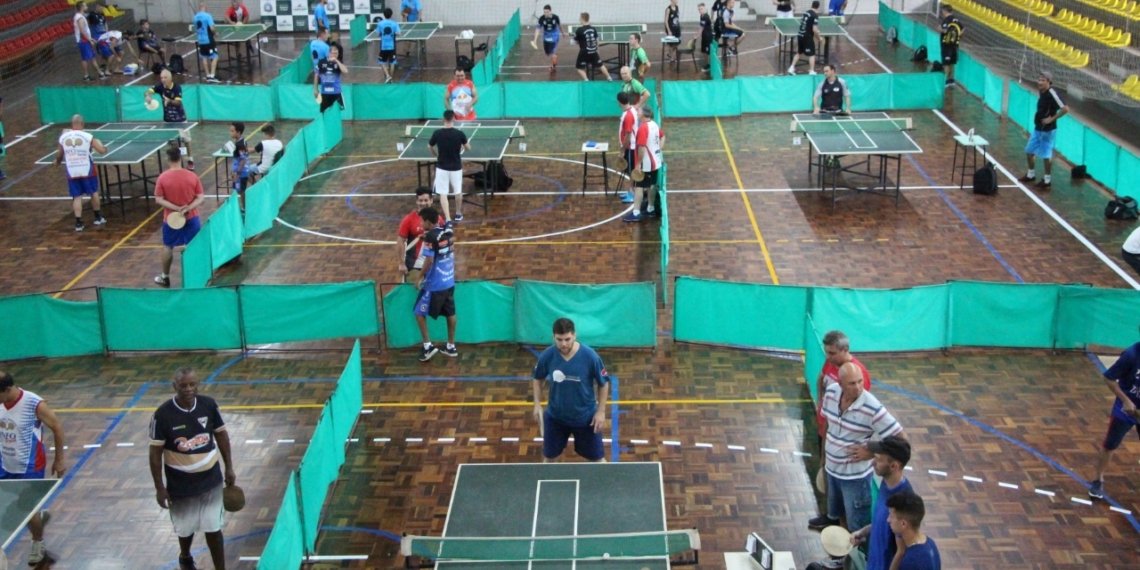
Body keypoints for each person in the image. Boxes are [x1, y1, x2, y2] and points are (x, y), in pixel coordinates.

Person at [149, 368, 236, 570]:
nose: (189, 389)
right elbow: (155, 454)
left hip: (211, 479)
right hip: (180, 484)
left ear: (198, 384)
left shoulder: (209, 405)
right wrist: (159, 487)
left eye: (192, 384)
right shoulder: (162, 415)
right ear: (175, 386)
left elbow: (222, 435)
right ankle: (186, 557)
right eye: (183, 385)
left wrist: (229, 467)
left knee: (213, 528)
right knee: (185, 529)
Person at [810, 362, 904, 533]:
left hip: (855, 479)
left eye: (860, 381)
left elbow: (900, 439)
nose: (859, 387)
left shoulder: (872, 407)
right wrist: (824, 458)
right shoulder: (831, 394)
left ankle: (856, 558)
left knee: (857, 527)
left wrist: (872, 450)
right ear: (839, 384)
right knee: (837, 516)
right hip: (832, 471)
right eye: (852, 383)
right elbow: (828, 427)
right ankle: (839, 553)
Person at [0, 371, 67, 566]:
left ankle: (38, 543)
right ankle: (38, 515)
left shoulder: (33, 403)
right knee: (11, 505)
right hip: (4, 463)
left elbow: (57, 427)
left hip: (29, 466)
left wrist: (60, 459)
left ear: (6, 390)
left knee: (26, 509)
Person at [531, 317, 611, 462]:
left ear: (574, 335)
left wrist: (601, 411)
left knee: (599, 461)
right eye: (559, 339)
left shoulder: (590, 357)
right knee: (549, 459)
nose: (564, 344)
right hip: (556, 418)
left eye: (567, 339)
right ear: (553, 337)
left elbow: (603, 383)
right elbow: (538, 378)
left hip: (586, 418)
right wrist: (537, 403)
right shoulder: (547, 356)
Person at [844, 436, 913, 570]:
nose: (872, 463)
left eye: (879, 460)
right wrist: (863, 532)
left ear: (894, 466)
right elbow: (881, 521)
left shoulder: (904, 502)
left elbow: (902, 551)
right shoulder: (885, 483)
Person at [1088, 340, 1140, 499]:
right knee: (1110, 443)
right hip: (1126, 410)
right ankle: (1098, 479)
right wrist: (1125, 400)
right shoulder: (1131, 355)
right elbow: (1109, 378)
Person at [153, 146, 205, 287]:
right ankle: (197, 276)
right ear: (180, 158)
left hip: (171, 219)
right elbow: (200, 197)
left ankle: (165, 277)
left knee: (168, 247)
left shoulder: (162, 178)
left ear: (168, 159)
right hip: (191, 217)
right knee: (194, 246)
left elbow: (159, 199)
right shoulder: (192, 176)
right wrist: (188, 207)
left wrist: (176, 209)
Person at [814, 330, 872, 451]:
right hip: (824, 425)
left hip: (841, 434)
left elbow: (861, 406)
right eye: (826, 352)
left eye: (832, 353)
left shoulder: (858, 373)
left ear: (845, 350)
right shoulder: (830, 362)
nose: (827, 356)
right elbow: (821, 378)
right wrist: (820, 402)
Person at [413, 206, 458, 361]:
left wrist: (419, 277)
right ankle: (451, 346)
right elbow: (442, 241)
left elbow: (429, 260)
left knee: (419, 312)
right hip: (449, 281)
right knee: (451, 313)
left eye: (421, 220)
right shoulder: (447, 232)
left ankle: (428, 346)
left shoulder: (431, 238)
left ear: (427, 221)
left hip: (434, 284)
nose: (420, 223)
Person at [55, 114, 108, 232]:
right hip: (87, 170)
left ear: (71, 124)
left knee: (77, 196)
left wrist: (57, 163)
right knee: (93, 193)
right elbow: (101, 151)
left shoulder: (63, 137)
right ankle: (98, 217)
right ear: (82, 124)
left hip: (72, 170)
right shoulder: (88, 136)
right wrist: (104, 146)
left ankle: (78, 223)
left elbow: (59, 155)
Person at [1018, 71, 1067, 189]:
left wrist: (1052, 119)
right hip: (1038, 128)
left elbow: (1065, 109)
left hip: (1048, 130)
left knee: (1046, 155)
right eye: (1039, 79)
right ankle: (1031, 174)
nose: (1039, 82)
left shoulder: (1053, 94)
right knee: (1029, 151)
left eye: (1043, 80)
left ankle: (1047, 180)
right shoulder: (1042, 91)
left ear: (1049, 82)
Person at [145, 68, 195, 170]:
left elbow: (178, 102)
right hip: (168, 120)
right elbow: (149, 91)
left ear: (170, 78)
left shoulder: (177, 88)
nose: (163, 79)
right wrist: (148, 97)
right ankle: (175, 161)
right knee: (172, 143)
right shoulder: (160, 86)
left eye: (165, 77)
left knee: (186, 141)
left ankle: (190, 160)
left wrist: (169, 101)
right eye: (161, 77)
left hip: (180, 119)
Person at [623, 106, 665, 223]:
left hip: (646, 164)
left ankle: (636, 212)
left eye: (639, 111)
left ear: (643, 114)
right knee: (651, 185)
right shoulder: (654, 125)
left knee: (639, 187)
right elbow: (663, 137)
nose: (637, 112)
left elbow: (641, 147)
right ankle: (650, 208)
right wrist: (658, 150)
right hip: (655, 162)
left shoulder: (643, 128)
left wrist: (638, 164)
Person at [428, 110, 471, 222]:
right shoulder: (459, 134)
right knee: (458, 191)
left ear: (443, 119)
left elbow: (429, 146)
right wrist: (463, 148)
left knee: (443, 193)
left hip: (441, 167)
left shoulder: (437, 133)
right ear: (454, 119)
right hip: (456, 167)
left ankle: (447, 218)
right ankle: (458, 213)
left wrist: (436, 155)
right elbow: (468, 148)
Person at [887, 492, 941, 570]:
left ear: (903, 524)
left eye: (891, 516)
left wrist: (899, 553)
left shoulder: (911, 561)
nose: (888, 520)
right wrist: (900, 551)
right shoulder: (930, 543)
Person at [397, 187, 434, 282]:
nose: (423, 203)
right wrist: (401, 263)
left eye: (426, 200)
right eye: (420, 200)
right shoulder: (409, 219)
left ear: (431, 201)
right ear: (416, 201)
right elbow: (400, 240)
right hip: (414, 265)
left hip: (432, 263)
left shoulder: (438, 218)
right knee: (413, 293)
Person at [573, 12, 611, 81]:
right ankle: (609, 77)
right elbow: (597, 40)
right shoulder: (593, 29)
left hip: (584, 52)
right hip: (594, 51)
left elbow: (574, 41)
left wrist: (576, 40)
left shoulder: (579, 30)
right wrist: (597, 49)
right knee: (601, 65)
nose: (579, 19)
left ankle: (586, 80)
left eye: (580, 18)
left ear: (582, 19)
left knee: (579, 68)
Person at [616, 91, 639, 205]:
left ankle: (632, 194)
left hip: (631, 147)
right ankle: (630, 191)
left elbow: (628, 134)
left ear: (619, 102)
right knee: (629, 171)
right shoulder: (630, 111)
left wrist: (622, 150)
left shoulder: (628, 115)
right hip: (629, 146)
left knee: (631, 172)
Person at [788, 0, 821, 75]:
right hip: (807, 37)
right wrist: (819, 38)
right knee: (812, 54)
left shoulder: (806, 12)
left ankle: (791, 68)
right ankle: (812, 71)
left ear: (812, 5)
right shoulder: (815, 15)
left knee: (799, 53)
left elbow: (804, 23)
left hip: (800, 35)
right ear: (818, 7)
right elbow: (814, 29)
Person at [315, 43, 348, 113]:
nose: (335, 54)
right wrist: (315, 89)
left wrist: (336, 61)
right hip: (325, 93)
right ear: (329, 52)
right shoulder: (321, 62)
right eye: (333, 52)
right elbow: (316, 75)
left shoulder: (339, 63)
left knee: (337, 112)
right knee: (323, 112)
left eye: (337, 53)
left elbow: (345, 71)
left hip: (336, 92)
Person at [193, 1, 220, 82]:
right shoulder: (208, 16)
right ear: (204, 6)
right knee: (215, 56)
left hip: (200, 41)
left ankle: (208, 76)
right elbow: (212, 28)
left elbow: (196, 29)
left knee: (204, 57)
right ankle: (212, 76)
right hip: (209, 40)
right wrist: (216, 33)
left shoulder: (195, 17)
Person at [533, 4, 563, 73]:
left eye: (547, 12)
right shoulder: (542, 18)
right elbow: (537, 29)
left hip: (554, 35)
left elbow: (559, 25)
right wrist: (535, 40)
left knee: (553, 52)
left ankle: (553, 65)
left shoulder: (556, 17)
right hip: (546, 36)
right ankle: (553, 56)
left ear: (550, 11)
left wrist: (563, 33)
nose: (545, 13)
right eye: (544, 12)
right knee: (547, 53)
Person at [74, 2, 99, 81]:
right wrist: (89, 40)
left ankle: (90, 74)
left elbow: (84, 30)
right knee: (86, 58)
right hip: (83, 41)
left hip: (85, 39)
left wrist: (91, 38)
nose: (87, 6)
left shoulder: (80, 16)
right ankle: (87, 75)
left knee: (88, 57)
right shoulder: (79, 18)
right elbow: (82, 30)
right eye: (85, 5)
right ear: (81, 7)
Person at [226, 122, 252, 198]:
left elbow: (243, 160)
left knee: (240, 191)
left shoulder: (239, 144)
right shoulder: (242, 141)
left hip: (241, 173)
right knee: (238, 190)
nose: (230, 133)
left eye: (232, 131)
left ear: (238, 132)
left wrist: (237, 173)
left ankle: (244, 208)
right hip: (242, 171)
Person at [939, 5, 962, 88]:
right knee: (952, 62)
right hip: (955, 45)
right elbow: (962, 29)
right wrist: (957, 36)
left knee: (946, 63)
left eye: (942, 12)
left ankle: (945, 81)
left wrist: (940, 29)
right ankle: (951, 80)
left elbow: (945, 30)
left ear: (945, 11)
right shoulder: (956, 19)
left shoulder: (946, 20)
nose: (942, 13)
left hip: (946, 45)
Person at [375, 7, 400, 83]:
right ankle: (391, 78)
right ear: (391, 15)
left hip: (383, 47)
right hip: (392, 46)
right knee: (392, 63)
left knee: (381, 62)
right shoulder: (394, 23)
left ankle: (387, 76)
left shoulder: (380, 24)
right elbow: (398, 33)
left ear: (384, 15)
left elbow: (377, 34)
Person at [697, 3, 713, 70]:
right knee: (704, 51)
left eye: (701, 9)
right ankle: (707, 64)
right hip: (704, 36)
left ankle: (709, 66)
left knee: (707, 52)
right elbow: (701, 26)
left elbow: (701, 27)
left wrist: (697, 36)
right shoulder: (702, 16)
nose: (700, 10)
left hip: (708, 37)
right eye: (699, 9)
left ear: (705, 8)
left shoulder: (705, 16)